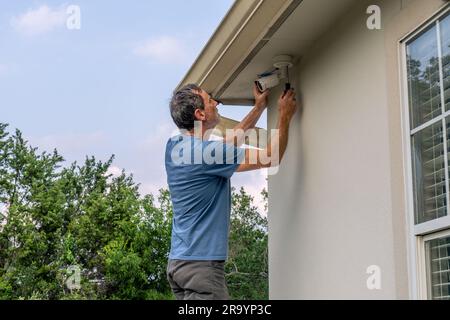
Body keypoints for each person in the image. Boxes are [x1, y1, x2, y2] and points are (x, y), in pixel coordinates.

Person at [165, 83, 298, 300]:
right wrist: (284, 115)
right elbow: (272, 156)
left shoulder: (175, 146)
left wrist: (259, 108)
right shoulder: (205, 154)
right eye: (210, 101)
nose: (216, 104)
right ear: (200, 114)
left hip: (179, 264)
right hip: (201, 267)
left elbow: (226, 146)